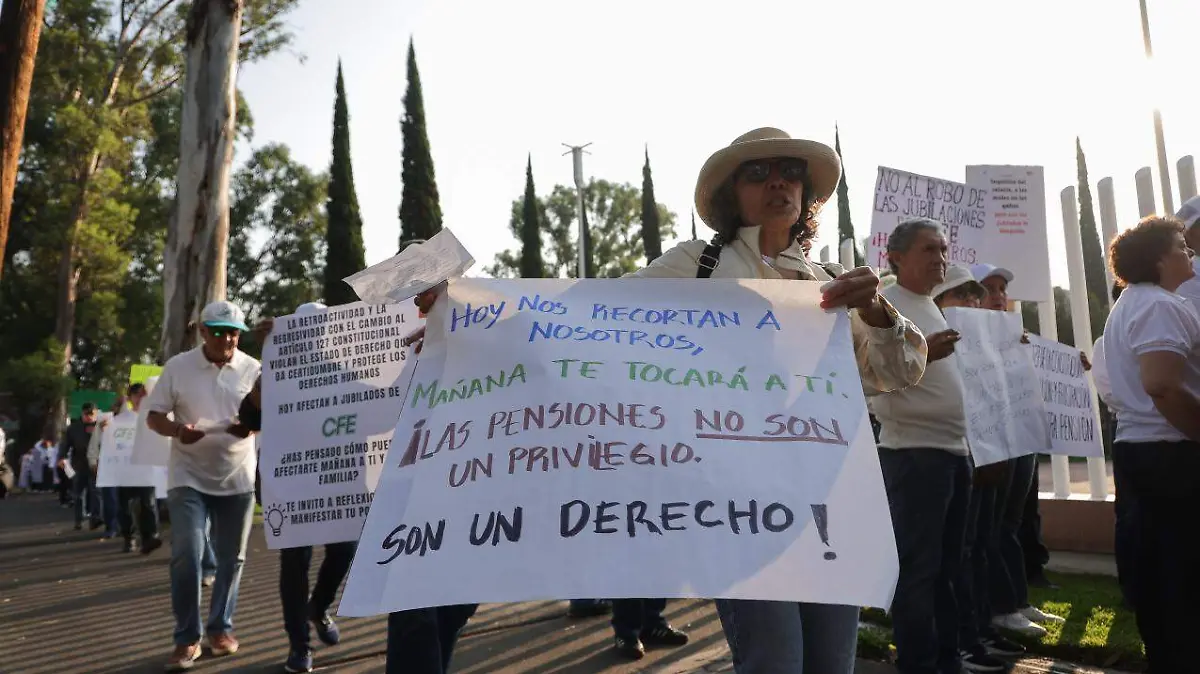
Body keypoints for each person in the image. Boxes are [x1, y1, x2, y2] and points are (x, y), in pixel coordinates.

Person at [630, 128, 928, 673]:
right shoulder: (695, 265)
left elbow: (898, 371)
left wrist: (877, 310)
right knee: (775, 659)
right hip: (737, 506)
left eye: (790, 172)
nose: (777, 183)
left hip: (829, 502)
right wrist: (478, 315)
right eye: (757, 173)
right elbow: (594, 316)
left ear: (805, 192)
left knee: (831, 662)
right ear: (732, 194)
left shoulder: (831, 281)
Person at [231, 302, 359, 674]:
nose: (315, 337)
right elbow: (249, 418)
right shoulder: (276, 372)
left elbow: (374, 409)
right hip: (290, 482)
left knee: (344, 550)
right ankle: (299, 645)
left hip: (337, 478)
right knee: (295, 563)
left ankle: (318, 607)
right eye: (306, 330)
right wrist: (270, 362)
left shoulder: (347, 370)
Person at [869, 218, 974, 674]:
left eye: (943, 249)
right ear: (896, 257)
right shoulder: (883, 307)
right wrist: (925, 351)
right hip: (914, 455)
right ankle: (919, 664)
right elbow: (873, 377)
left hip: (953, 452)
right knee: (919, 572)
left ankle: (947, 661)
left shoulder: (928, 304)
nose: (940, 259)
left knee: (949, 570)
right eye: (929, 249)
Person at [1102, 216, 1200, 672]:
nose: (1189, 253)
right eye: (1181, 246)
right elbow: (1161, 384)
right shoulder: (1159, 305)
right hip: (1171, 451)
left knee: (1160, 574)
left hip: (1143, 449)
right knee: (1181, 575)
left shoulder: (1132, 303)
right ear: (1160, 258)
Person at [145, 300, 261, 671]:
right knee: (187, 554)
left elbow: (268, 414)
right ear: (202, 331)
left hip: (237, 476)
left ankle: (220, 629)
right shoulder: (178, 367)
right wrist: (178, 430)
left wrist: (250, 428)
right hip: (187, 475)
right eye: (218, 331)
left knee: (232, 558)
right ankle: (186, 638)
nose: (226, 339)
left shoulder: (254, 369)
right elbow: (154, 416)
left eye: (234, 333)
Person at [931, 266, 1017, 672]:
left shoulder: (981, 342)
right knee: (957, 557)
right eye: (960, 295)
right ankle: (963, 642)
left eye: (972, 295)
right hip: (954, 457)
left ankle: (980, 630)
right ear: (938, 302)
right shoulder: (932, 342)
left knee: (979, 548)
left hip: (986, 458)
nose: (971, 302)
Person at [969, 263, 1060, 639]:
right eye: (989, 289)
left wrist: (1069, 365)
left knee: (1010, 524)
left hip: (1020, 439)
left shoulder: (1016, 336)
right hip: (992, 441)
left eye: (1002, 289)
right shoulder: (966, 336)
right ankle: (1000, 608)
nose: (998, 296)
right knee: (990, 528)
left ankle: (1016, 601)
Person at [113, 383, 163, 554]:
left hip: (146, 467)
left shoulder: (153, 417)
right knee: (125, 505)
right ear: (130, 398)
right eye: (136, 395)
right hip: (125, 468)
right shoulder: (120, 419)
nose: (140, 398)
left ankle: (150, 536)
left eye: (143, 395)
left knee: (148, 503)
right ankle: (130, 537)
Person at [58, 402, 102, 530]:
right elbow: (65, 444)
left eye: (91, 414)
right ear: (82, 414)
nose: (89, 417)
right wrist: (62, 457)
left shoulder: (101, 426)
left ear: (96, 414)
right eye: (86, 414)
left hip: (96, 464)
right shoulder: (74, 428)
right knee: (78, 494)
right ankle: (79, 520)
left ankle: (95, 518)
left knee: (96, 492)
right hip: (79, 464)